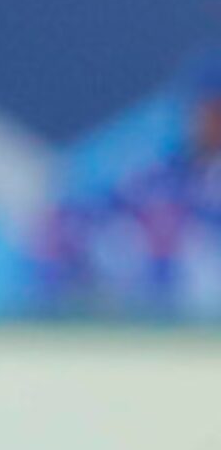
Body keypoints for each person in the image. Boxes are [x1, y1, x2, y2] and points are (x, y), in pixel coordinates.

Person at [37, 50, 221, 319]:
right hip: (155, 326)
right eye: (208, 110)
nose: (211, 121)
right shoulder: (158, 180)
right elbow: (74, 225)